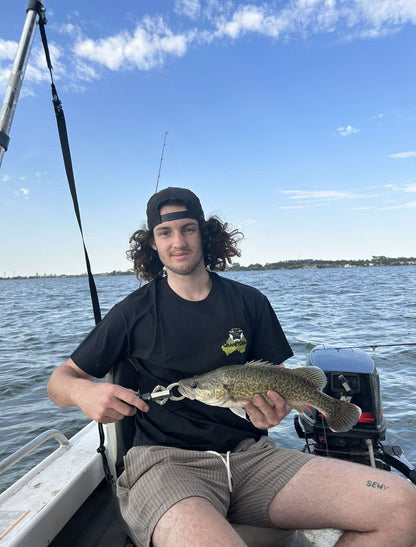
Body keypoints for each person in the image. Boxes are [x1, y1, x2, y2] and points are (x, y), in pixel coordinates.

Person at [47, 186, 416, 547]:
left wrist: (273, 414)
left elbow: (278, 385)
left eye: (188, 228)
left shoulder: (250, 301)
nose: (179, 242)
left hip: (253, 457)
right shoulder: (132, 312)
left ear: (205, 235)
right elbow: (60, 381)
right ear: (153, 244)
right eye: (165, 232)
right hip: (166, 463)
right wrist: (84, 391)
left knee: (406, 508)